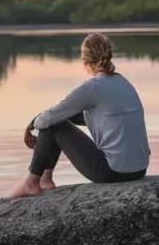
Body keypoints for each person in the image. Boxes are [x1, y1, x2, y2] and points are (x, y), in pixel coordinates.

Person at [10, 33, 150, 198]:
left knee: (53, 124)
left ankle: (32, 182)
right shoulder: (124, 83)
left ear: (85, 61)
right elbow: (105, 120)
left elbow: (49, 118)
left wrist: (31, 124)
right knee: (57, 120)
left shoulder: (93, 87)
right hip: (139, 170)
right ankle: (45, 180)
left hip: (112, 172)